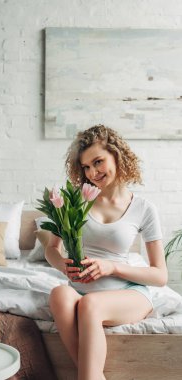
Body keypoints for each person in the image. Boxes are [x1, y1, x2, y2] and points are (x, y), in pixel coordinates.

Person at [45, 125, 168, 380]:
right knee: (59, 294)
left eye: (98, 162)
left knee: (90, 305)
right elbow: (51, 248)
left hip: (127, 294)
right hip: (80, 289)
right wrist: (62, 265)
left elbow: (160, 275)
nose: (92, 172)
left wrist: (112, 267)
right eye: (86, 167)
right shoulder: (75, 199)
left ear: (117, 155)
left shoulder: (144, 209)